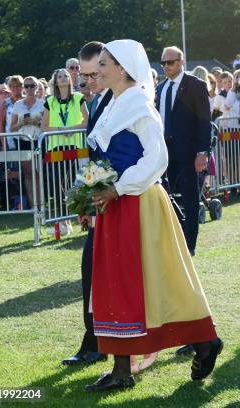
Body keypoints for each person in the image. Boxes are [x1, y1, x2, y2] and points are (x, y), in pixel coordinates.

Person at [86, 39, 222, 392]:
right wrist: (95, 188)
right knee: (115, 282)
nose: (97, 71)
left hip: (139, 203)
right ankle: (121, 369)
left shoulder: (139, 106)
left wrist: (120, 186)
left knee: (159, 279)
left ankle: (205, 340)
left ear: (122, 68)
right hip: (116, 204)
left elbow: (157, 158)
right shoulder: (114, 102)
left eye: (103, 64)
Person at [60, 41, 112, 368]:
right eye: (83, 73)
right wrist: (85, 196)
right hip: (100, 197)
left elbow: (114, 157)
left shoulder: (118, 103)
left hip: (119, 199)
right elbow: (96, 158)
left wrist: (92, 195)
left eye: (94, 73)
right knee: (90, 271)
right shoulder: (95, 104)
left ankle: (197, 337)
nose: (87, 81)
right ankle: (93, 341)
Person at [156, 46, 212, 256]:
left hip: (188, 150)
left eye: (170, 62)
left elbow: (204, 121)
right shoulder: (160, 88)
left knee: (190, 197)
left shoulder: (195, 85)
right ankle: (173, 238)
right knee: (165, 195)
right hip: (164, 151)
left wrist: (202, 151)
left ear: (181, 61)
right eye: (163, 63)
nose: (166, 67)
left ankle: (190, 245)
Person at [40, 68, 89, 235]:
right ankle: (63, 222)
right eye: (59, 76)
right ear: (55, 81)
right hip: (55, 148)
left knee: (71, 185)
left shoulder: (78, 98)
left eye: (65, 76)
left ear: (70, 80)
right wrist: (61, 129)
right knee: (56, 186)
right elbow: (43, 126)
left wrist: (71, 129)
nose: (62, 78)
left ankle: (79, 220)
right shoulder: (50, 101)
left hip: (75, 148)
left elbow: (87, 121)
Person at [9, 76, 43, 208]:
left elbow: (47, 124)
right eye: (27, 86)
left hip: (39, 140)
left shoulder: (42, 103)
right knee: (28, 173)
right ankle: (33, 204)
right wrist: (22, 122)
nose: (29, 88)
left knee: (39, 172)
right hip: (23, 140)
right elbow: (12, 128)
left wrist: (35, 122)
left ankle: (42, 203)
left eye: (32, 85)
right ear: (24, 88)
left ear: (36, 87)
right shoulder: (18, 105)